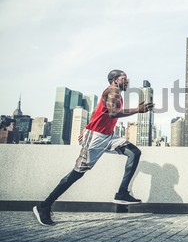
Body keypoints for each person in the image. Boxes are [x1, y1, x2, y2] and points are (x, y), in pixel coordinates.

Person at [33, 69, 154, 226]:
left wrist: (87, 127)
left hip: (108, 136)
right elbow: (112, 113)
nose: (127, 81)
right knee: (77, 174)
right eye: (124, 78)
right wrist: (137, 110)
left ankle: (122, 193)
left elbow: (98, 113)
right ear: (115, 80)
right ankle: (44, 206)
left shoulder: (115, 92)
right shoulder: (113, 90)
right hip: (96, 138)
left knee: (134, 152)